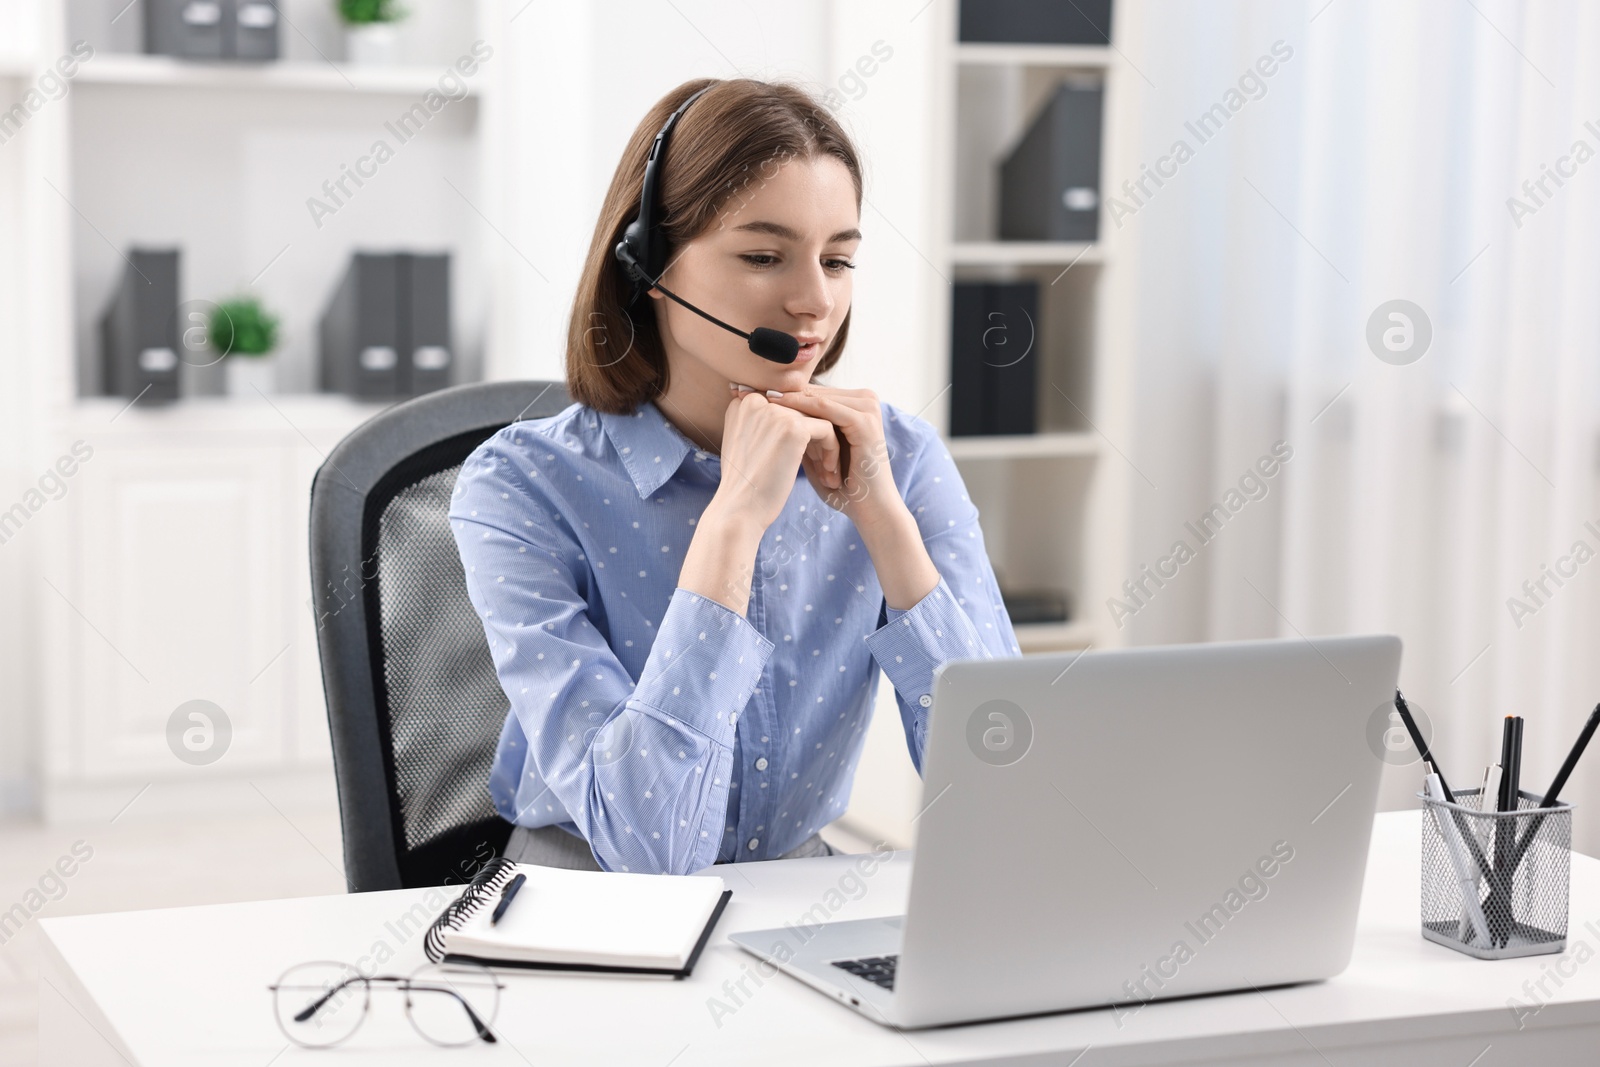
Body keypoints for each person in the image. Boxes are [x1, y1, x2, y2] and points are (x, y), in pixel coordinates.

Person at [449, 77, 1020, 876]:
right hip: (584, 897)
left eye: (839, 259)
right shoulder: (517, 487)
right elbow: (651, 849)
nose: (815, 301)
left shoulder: (901, 461)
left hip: (794, 886)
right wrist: (733, 522)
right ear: (647, 263)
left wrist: (886, 526)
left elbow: (1011, 792)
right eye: (763, 255)